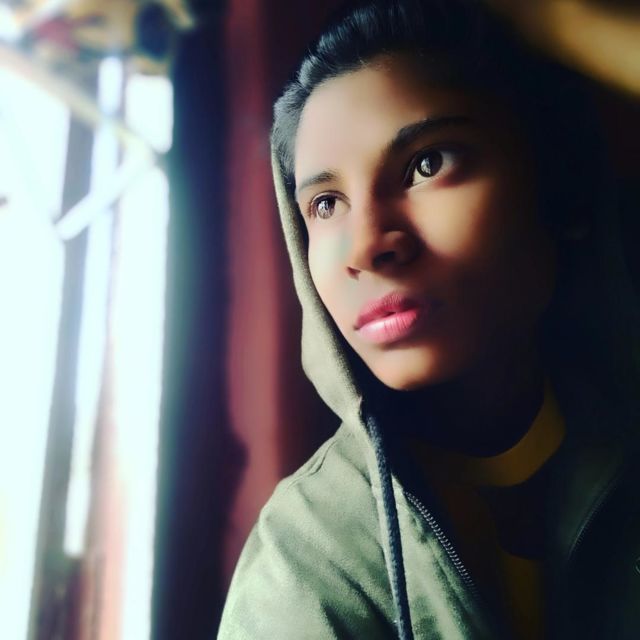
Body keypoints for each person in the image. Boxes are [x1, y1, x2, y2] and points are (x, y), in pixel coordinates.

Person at [218, 1, 640, 638]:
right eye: (326, 203)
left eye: (426, 164)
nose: (366, 245)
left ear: (559, 189)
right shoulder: (307, 554)